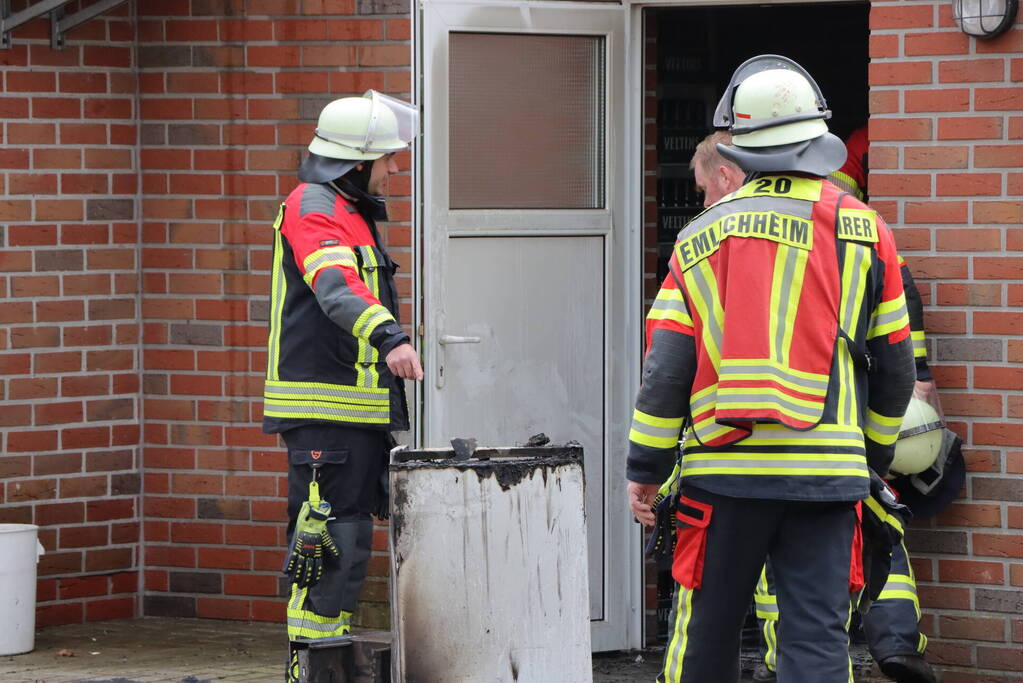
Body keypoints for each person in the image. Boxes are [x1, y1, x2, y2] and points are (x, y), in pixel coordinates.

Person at [627, 55, 916, 682]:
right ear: (817, 139)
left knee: (708, 633)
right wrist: (871, 456)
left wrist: (645, 470)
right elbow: (895, 365)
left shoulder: (701, 234)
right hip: (827, 478)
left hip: (722, 477)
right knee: (815, 639)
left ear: (742, 143)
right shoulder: (866, 230)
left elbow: (667, 370)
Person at [261, 90, 423, 682]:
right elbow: (335, 288)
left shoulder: (347, 210)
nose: (397, 167)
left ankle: (327, 664)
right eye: (388, 158)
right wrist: (391, 339)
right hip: (325, 410)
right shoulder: (314, 208)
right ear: (356, 162)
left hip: (353, 411)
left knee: (347, 538)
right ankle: (310, 672)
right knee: (327, 543)